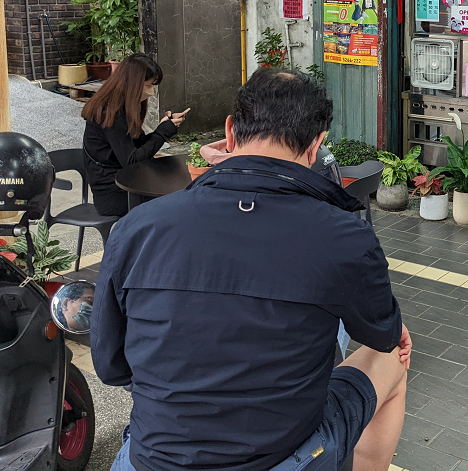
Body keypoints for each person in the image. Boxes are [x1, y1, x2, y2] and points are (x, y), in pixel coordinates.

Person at [92, 68, 411, 471]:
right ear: (316, 146)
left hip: (151, 459)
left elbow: (110, 365)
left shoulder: (136, 229)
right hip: (282, 457)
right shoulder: (345, 236)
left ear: (229, 132)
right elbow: (383, 337)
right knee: (393, 362)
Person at [82, 54, 190, 217]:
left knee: (180, 193)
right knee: (177, 203)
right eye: (148, 85)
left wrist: (164, 127)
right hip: (113, 195)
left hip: (128, 183)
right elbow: (132, 160)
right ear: (132, 85)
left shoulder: (123, 106)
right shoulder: (110, 113)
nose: (152, 92)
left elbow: (137, 148)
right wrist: (163, 131)